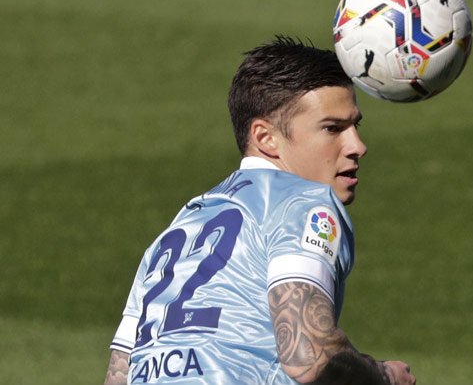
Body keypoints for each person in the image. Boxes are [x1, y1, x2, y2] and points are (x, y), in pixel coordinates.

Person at [103, 36, 416, 385]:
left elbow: (119, 375)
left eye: (356, 126)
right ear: (266, 138)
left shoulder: (178, 230)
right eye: (333, 128)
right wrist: (384, 376)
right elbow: (308, 356)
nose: (357, 146)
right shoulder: (304, 202)